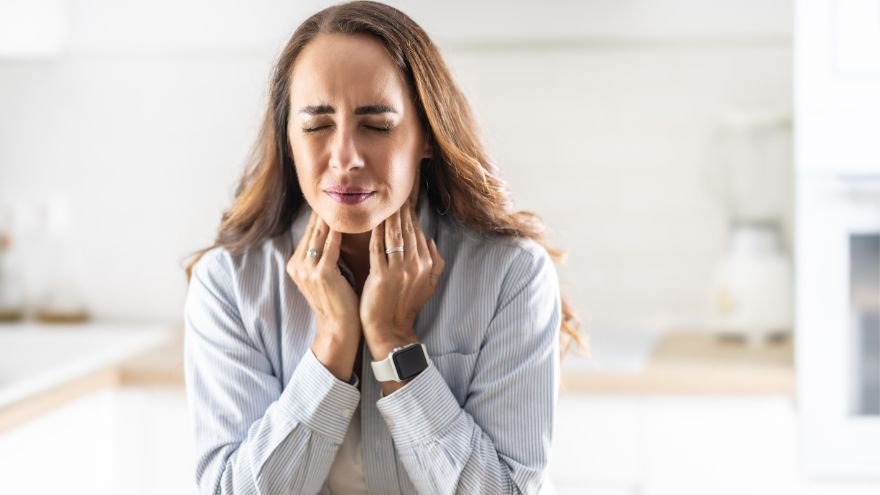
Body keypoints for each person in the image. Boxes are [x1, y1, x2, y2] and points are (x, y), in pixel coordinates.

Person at [183, 2, 585, 494]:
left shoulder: (511, 275)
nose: (345, 157)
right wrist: (333, 343)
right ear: (289, 140)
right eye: (316, 126)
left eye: (376, 126)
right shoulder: (228, 284)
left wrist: (394, 340)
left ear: (427, 136)